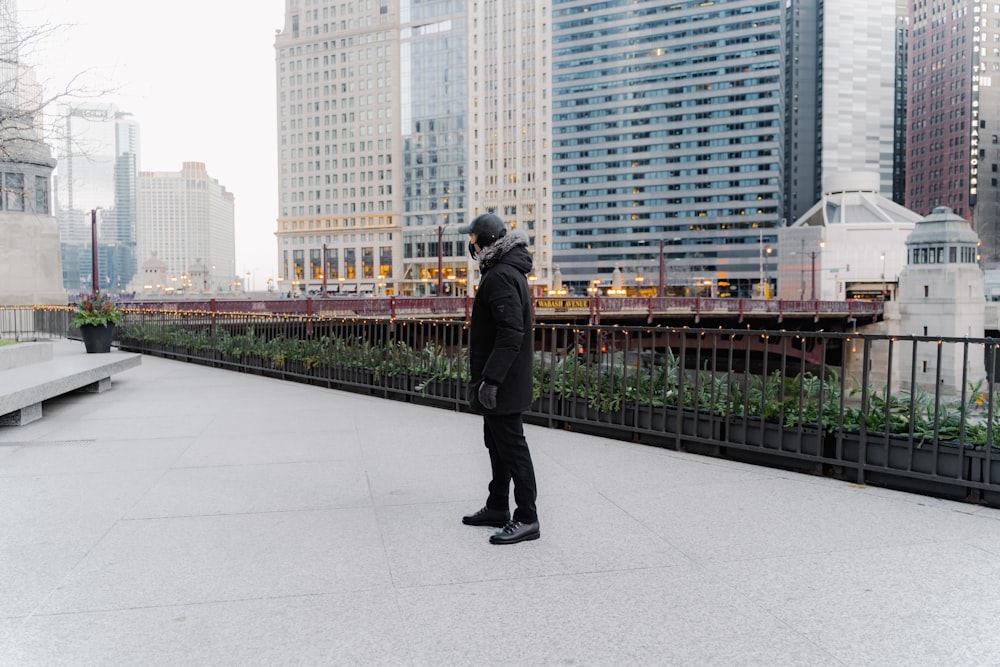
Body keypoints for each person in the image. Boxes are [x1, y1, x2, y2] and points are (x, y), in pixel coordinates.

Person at [458, 212, 539, 545]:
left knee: (513, 448)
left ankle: (527, 517)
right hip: (501, 379)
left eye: (472, 237)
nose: (470, 242)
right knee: (497, 445)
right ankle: (497, 506)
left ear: (485, 241)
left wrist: (491, 381)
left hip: (503, 382)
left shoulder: (501, 276)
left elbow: (510, 334)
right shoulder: (502, 271)